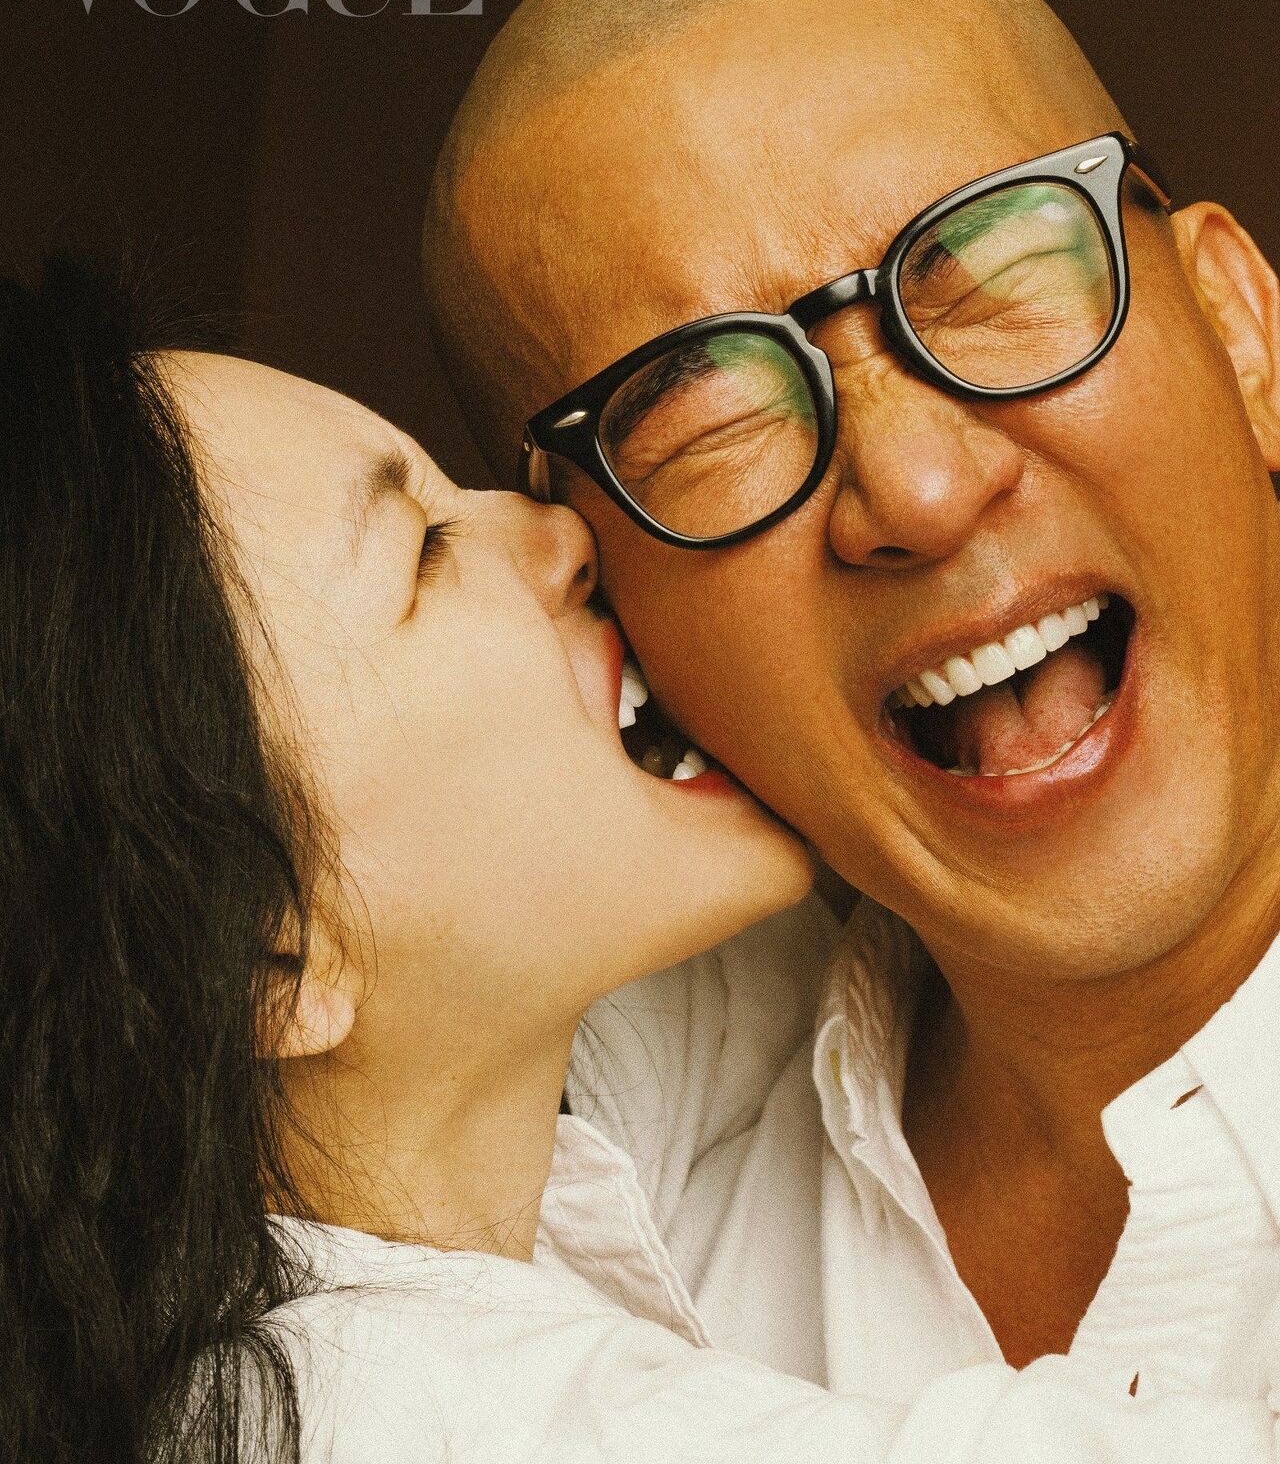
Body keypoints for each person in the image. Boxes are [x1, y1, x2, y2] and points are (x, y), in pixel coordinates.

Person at [18, 254, 1275, 1463]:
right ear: (267, 957)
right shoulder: (376, 1420)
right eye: (424, 552)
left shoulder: (635, 1059)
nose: (558, 533)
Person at [423, 0, 1280, 1407]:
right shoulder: (571, 1277)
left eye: (988, 273)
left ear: (1241, 329)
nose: (921, 490)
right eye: (708, 416)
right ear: (597, 603)